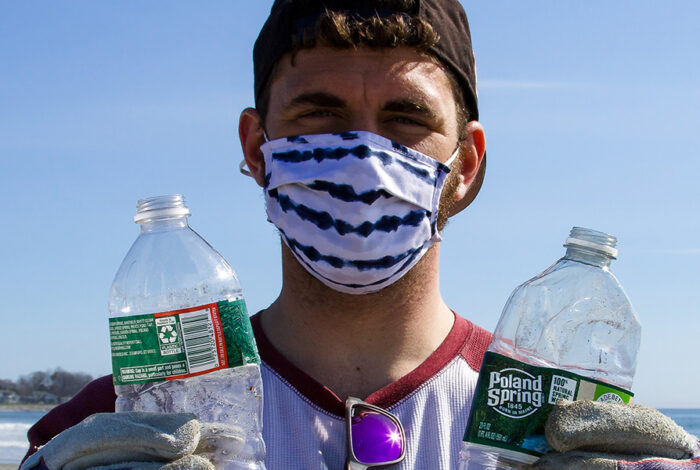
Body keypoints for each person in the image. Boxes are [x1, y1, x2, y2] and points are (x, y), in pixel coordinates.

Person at [20, 1, 700, 469]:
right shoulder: (117, 430)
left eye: (405, 118)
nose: (363, 156)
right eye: (320, 113)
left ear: (465, 164)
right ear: (257, 149)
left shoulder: (564, 431)